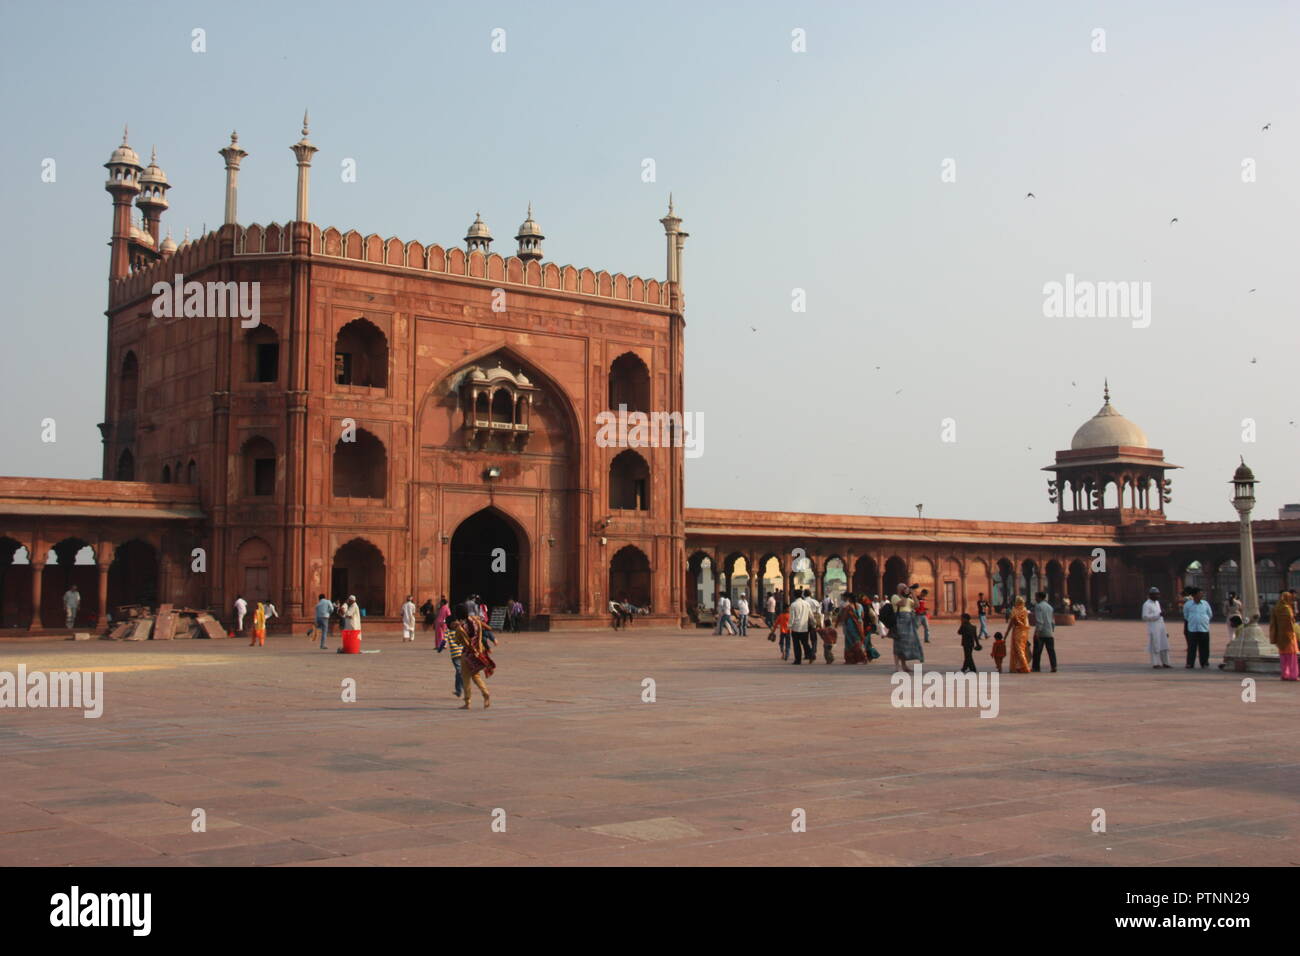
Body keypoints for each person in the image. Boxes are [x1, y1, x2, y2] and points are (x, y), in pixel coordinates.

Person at [449, 606, 493, 709]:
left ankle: (467, 702)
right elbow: (489, 628)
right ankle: (485, 692)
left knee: (466, 678)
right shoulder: (475, 620)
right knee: (476, 675)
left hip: (467, 654)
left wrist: (456, 628)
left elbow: (457, 641)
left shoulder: (461, 628)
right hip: (478, 652)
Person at [889, 584, 924, 672]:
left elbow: (917, 605)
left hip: (908, 622)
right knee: (898, 644)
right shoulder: (895, 597)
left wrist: (913, 594)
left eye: (906, 588)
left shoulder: (908, 598)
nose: (905, 589)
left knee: (905, 645)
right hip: (899, 621)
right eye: (904, 588)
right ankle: (897, 666)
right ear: (899, 589)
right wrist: (905, 594)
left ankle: (904, 666)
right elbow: (902, 603)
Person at [1270, 591, 1299, 681]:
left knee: (1283, 657)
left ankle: (1284, 674)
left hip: (1280, 636)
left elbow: (1273, 623)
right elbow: (1291, 622)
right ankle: (1293, 675)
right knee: (1292, 657)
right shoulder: (1287, 608)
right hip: (1289, 635)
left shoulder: (1276, 608)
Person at [1182, 587, 1213, 669]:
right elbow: (1186, 616)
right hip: (1192, 629)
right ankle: (1190, 663)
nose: (1201, 594)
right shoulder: (1188, 604)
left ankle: (1204, 662)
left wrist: (1204, 620)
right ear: (1194, 595)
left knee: (1204, 647)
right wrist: (1194, 620)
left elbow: (1210, 614)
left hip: (1204, 628)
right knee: (1192, 647)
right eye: (1200, 593)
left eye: (1202, 593)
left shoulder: (1205, 603)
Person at [1141, 587, 1171, 669]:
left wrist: (1165, 630)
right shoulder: (1147, 604)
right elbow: (1145, 617)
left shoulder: (1157, 603)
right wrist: (1157, 616)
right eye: (1155, 594)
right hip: (1153, 627)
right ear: (1150, 595)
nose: (1157, 596)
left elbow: (1161, 616)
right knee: (1155, 645)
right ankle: (1156, 663)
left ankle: (1166, 662)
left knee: (1164, 645)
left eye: (1158, 594)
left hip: (1161, 626)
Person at [838, 592, 867, 664]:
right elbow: (862, 616)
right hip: (859, 625)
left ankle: (851, 659)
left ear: (849, 599)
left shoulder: (848, 607)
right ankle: (863, 657)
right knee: (858, 641)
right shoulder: (860, 606)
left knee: (849, 642)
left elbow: (844, 617)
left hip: (851, 626)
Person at [1031, 590, 1057, 672]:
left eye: (1036, 597)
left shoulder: (1038, 606)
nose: (1035, 598)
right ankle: (1054, 666)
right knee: (1051, 651)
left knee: (1037, 651)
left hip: (1041, 632)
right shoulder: (1050, 607)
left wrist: (1037, 632)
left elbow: (1040, 621)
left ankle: (1036, 667)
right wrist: (1052, 629)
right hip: (1049, 631)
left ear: (1039, 597)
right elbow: (1053, 621)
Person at [787, 588, 814, 664]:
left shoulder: (793, 605)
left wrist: (789, 627)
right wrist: (814, 624)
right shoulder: (806, 604)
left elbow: (791, 617)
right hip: (804, 627)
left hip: (795, 628)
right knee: (805, 643)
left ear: (794, 596)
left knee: (796, 645)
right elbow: (811, 615)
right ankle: (811, 654)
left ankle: (798, 660)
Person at [1007, 596, 1032, 673]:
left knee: (1019, 650)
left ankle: (1025, 667)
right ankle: (1019, 666)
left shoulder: (1014, 610)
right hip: (1025, 632)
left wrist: (1006, 635)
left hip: (1017, 631)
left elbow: (1012, 623)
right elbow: (1026, 623)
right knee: (1022, 649)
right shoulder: (1025, 610)